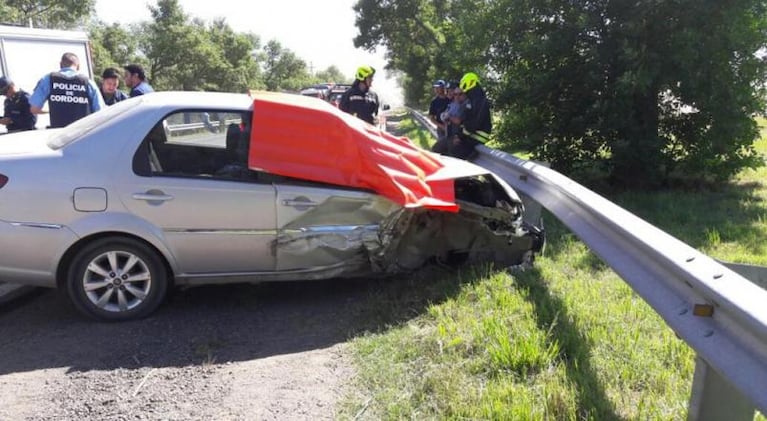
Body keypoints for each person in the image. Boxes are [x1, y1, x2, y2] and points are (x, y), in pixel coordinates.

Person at [29, 52, 104, 128]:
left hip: (59, 133)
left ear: (60, 64)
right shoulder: (88, 82)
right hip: (83, 134)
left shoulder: (48, 79)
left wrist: (51, 111)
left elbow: (34, 109)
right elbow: (100, 112)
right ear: (78, 66)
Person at [451, 72, 492, 160]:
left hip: (478, 137)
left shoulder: (481, 101)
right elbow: (466, 120)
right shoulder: (473, 100)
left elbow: (473, 124)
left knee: (455, 153)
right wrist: (459, 135)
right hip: (471, 136)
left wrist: (461, 134)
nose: (464, 92)